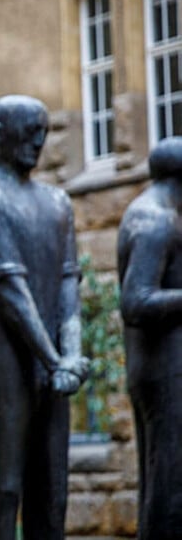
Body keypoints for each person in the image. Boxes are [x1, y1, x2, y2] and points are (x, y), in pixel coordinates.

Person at [0, 95, 90, 540]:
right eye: (29, 129)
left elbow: (69, 280)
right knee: (4, 487)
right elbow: (10, 289)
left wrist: (71, 356)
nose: (39, 140)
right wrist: (57, 361)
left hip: (52, 359)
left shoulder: (58, 202)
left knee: (51, 489)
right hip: (8, 357)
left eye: (44, 130)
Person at [117, 136, 182, 539]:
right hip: (164, 372)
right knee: (170, 487)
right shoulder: (155, 220)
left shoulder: (158, 214)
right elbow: (136, 301)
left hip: (165, 369)